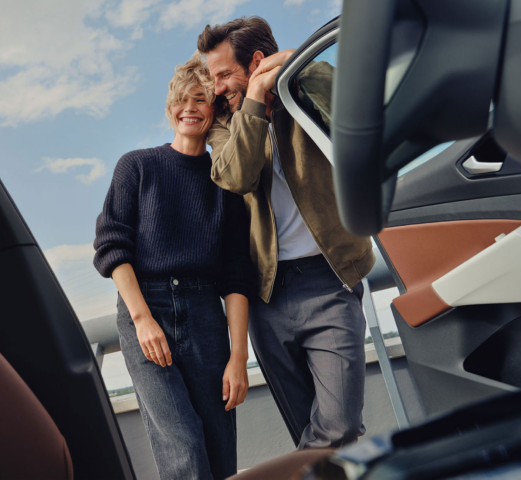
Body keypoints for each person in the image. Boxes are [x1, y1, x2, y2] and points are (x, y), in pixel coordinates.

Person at [196, 17, 376, 450]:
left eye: (223, 74)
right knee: (307, 432)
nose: (217, 87)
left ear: (256, 60)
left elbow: (359, 120)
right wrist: (254, 99)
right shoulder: (227, 121)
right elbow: (235, 176)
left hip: (330, 281)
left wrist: (299, 66)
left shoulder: (309, 80)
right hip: (268, 296)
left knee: (339, 426)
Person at [93, 55, 253, 480]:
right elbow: (112, 247)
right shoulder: (137, 166)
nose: (189, 107)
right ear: (169, 109)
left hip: (205, 317)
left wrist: (239, 357)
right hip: (146, 309)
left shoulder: (226, 184)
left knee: (219, 448)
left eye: (201, 99)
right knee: (182, 445)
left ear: (214, 109)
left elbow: (237, 275)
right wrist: (143, 319)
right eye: (182, 99)